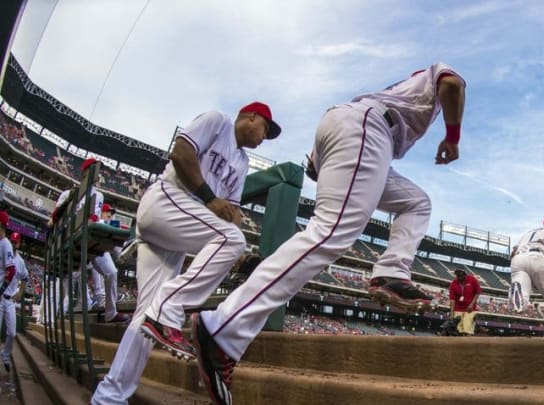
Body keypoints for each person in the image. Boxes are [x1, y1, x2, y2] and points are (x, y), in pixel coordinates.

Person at [190, 62, 466, 404]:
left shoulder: (393, 94)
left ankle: (391, 272)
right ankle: (223, 328)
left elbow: (315, 166)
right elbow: (452, 85)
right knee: (331, 231)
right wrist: (452, 139)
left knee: (417, 203)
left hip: (348, 129)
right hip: (367, 129)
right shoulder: (430, 78)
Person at [91, 101, 280, 405]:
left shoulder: (242, 162)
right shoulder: (217, 122)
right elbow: (180, 152)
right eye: (265, 129)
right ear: (252, 116)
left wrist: (239, 254)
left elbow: (229, 213)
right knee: (231, 241)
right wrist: (210, 200)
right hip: (167, 201)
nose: (264, 137)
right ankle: (170, 309)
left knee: (146, 316)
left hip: (177, 230)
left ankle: (109, 397)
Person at [51, 158, 128, 324]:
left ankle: (110, 313)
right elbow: (54, 218)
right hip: (72, 243)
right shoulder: (68, 193)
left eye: (98, 171)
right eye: (94, 170)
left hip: (90, 242)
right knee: (63, 287)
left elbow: (93, 218)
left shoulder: (98, 195)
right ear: (85, 172)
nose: (97, 173)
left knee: (112, 272)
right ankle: (122, 250)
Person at [508, 215, 544, 338]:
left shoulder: (529, 232)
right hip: (537, 256)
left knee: (522, 289)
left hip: (518, 259)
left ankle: (520, 299)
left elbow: (513, 252)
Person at [1, 231, 29, 372]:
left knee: (12, 333)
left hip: (10, 300)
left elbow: (25, 278)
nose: (13, 243)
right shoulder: (4, 252)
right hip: (1, 296)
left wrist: (21, 292)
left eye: (16, 241)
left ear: (19, 243)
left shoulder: (21, 262)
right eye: (12, 240)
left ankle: (5, 356)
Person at [448, 269, 481, 336]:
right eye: (457, 276)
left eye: (460, 276)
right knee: (458, 328)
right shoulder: (453, 283)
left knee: (467, 327)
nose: (459, 278)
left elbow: (477, 292)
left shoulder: (472, 279)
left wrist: (472, 304)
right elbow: (452, 300)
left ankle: (468, 338)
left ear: (465, 275)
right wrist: (451, 314)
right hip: (458, 308)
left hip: (470, 308)